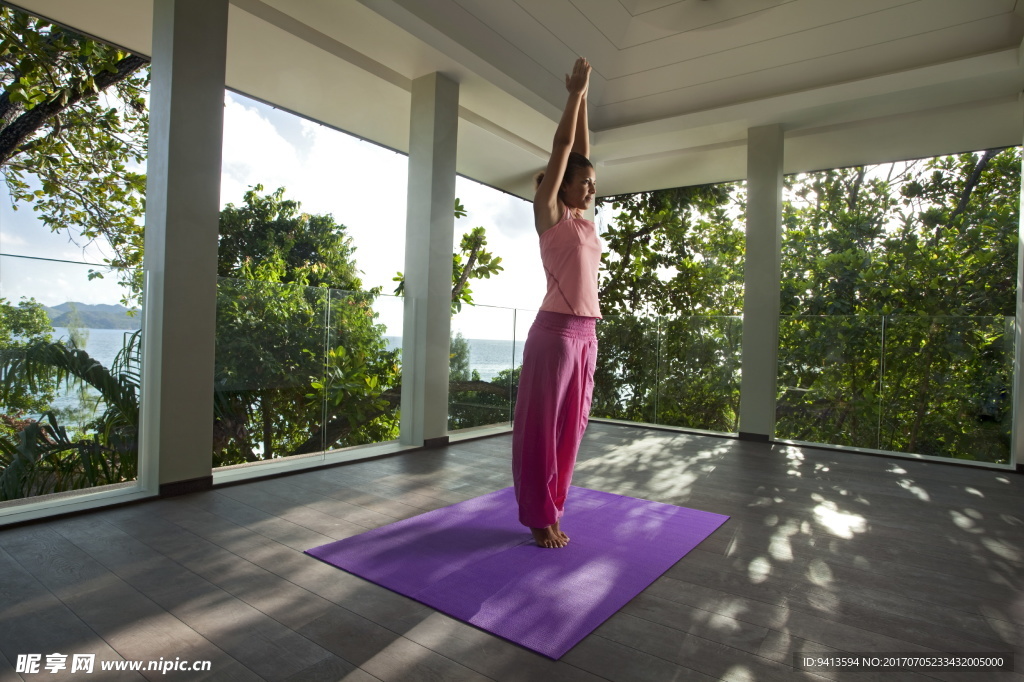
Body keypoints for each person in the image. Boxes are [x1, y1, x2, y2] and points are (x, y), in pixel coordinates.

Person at [512, 57, 601, 549]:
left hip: (587, 335)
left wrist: (586, 99)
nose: (590, 187)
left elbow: (581, 152)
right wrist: (574, 94)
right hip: (555, 334)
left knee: (571, 430)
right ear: (561, 184)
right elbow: (565, 148)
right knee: (544, 431)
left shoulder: (584, 222)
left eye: (593, 182)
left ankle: (554, 509)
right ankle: (538, 517)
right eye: (583, 181)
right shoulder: (550, 214)